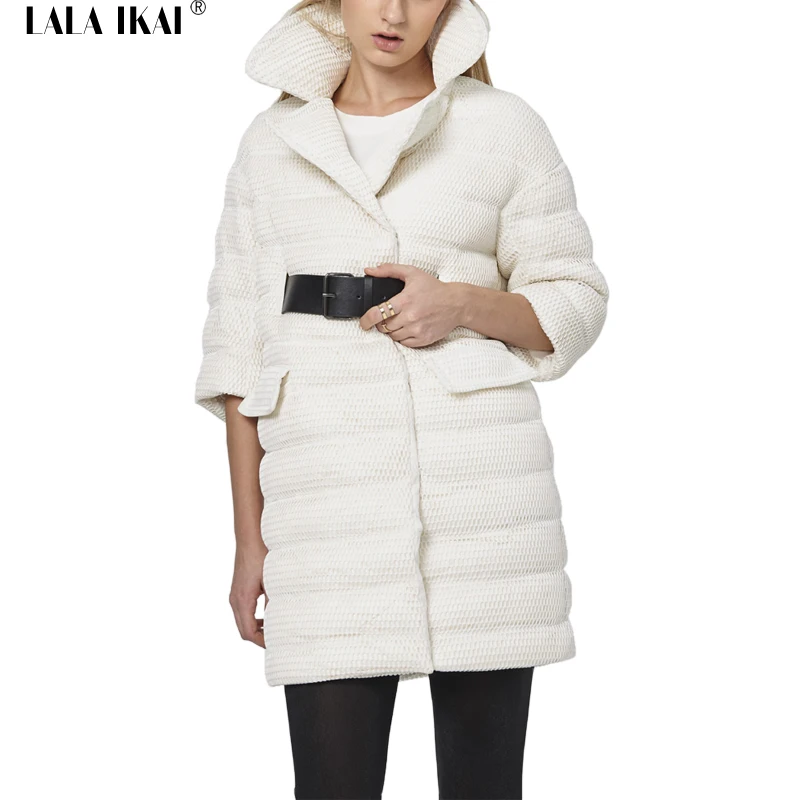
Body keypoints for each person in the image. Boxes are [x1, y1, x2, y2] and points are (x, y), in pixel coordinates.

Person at [194, 0, 609, 797]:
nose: (393, 13)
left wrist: (459, 303)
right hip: (324, 508)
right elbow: (237, 356)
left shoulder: (504, 126)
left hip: (483, 504)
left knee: (485, 787)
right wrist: (250, 544)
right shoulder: (270, 143)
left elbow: (575, 300)